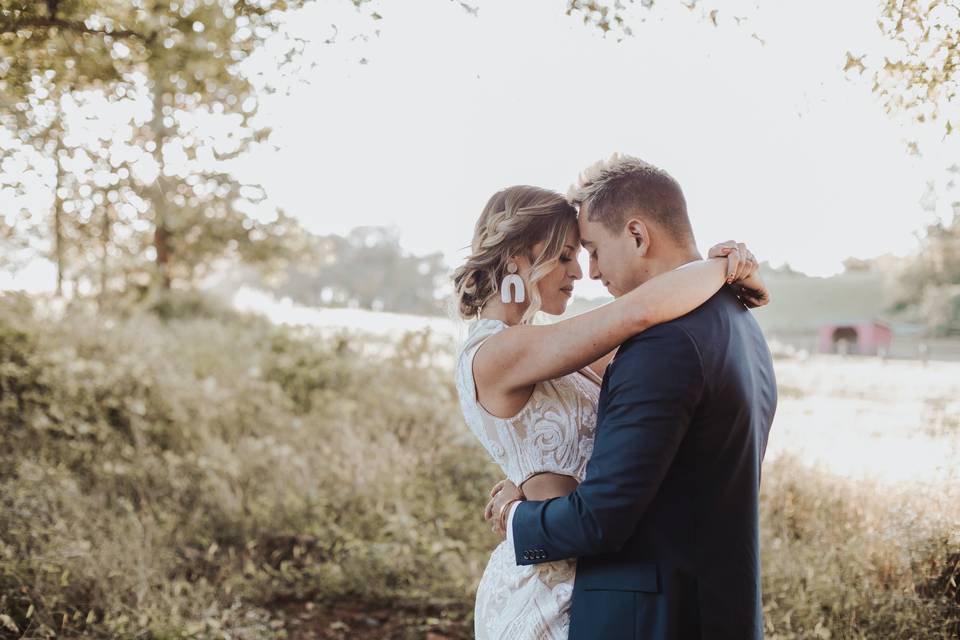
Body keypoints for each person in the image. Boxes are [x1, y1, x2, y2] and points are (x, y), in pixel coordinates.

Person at [453, 157, 774, 640]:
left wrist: (528, 492)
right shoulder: (498, 351)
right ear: (516, 259)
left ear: (638, 236)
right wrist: (722, 268)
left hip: (594, 582)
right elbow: (640, 312)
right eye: (565, 256)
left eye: (585, 251)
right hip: (542, 590)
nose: (583, 271)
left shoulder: (566, 347)